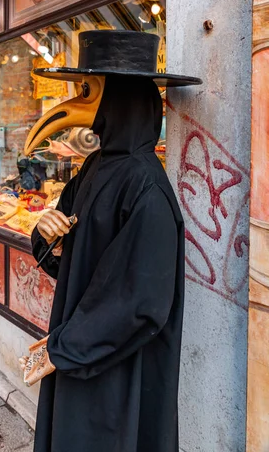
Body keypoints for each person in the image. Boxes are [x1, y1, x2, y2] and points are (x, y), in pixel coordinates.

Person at [19, 30, 201, 452]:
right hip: (80, 351)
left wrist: (62, 348)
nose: (79, 100)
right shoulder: (94, 167)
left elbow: (141, 303)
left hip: (117, 370)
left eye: (89, 90)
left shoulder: (147, 188)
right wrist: (49, 236)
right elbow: (70, 251)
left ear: (121, 99)